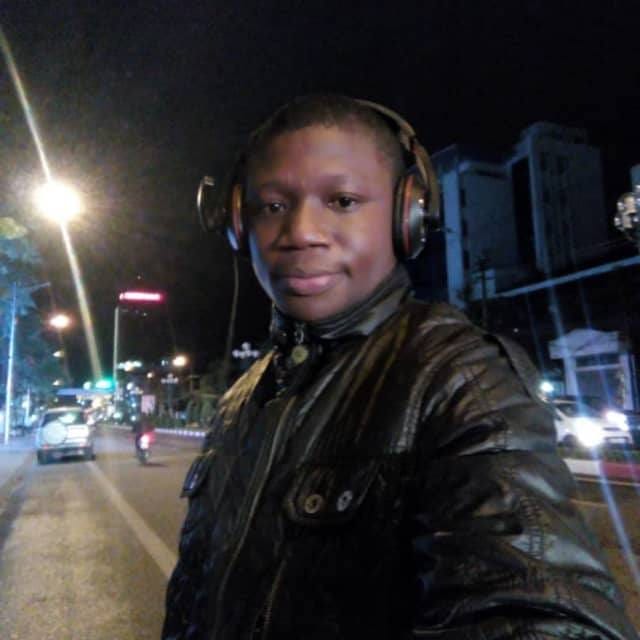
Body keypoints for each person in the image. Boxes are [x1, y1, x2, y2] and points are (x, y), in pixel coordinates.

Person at [163, 95, 636, 639]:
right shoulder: (242, 396)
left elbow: (538, 604)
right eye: (272, 206)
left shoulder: (457, 375)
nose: (300, 232)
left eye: (342, 200)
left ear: (407, 216)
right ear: (238, 223)